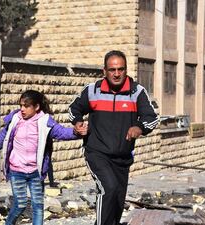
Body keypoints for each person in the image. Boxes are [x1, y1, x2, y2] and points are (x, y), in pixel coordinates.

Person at [68, 50, 159, 225]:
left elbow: (152, 118)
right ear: (104, 71)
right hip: (96, 152)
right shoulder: (92, 91)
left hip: (123, 157)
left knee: (117, 199)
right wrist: (78, 123)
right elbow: (74, 109)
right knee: (108, 188)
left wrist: (139, 128)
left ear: (126, 70)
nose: (116, 74)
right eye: (112, 70)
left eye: (120, 69)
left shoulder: (137, 92)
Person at [0, 90, 84, 225]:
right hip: (17, 170)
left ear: (37, 107)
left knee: (38, 206)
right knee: (20, 204)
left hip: (36, 172)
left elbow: (61, 132)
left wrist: (76, 132)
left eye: (26, 106)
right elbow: (3, 135)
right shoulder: (15, 119)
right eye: (21, 105)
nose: (22, 109)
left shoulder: (45, 121)